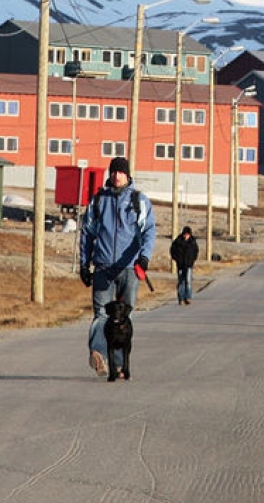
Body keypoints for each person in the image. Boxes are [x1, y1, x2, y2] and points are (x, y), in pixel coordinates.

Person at [79, 157, 156, 377]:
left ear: (127, 175)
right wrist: (84, 264)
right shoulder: (98, 201)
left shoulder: (138, 200)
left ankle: (120, 365)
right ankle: (98, 353)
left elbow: (149, 231)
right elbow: (87, 233)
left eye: (120, 172)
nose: (116, 176)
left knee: (124, 316)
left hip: (130, 268)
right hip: (103, 267)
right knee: (101, 314)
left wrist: (144, 258)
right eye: (113, 172)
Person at [170, 225, 199, 305]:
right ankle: (181, 298)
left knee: (188, 281)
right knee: (181, 282)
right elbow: (172, 251)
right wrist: (176, 259)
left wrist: (192, 260)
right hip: (180, 265)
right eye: (185, 234)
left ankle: (188, 297)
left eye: (187, 234)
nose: (186, 236)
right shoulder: (178, 241)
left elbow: (196, 252)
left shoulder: (192, 242)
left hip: (189, 265)